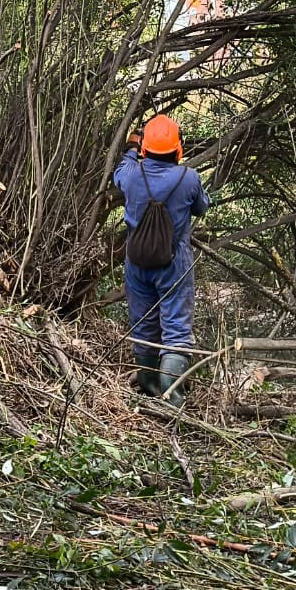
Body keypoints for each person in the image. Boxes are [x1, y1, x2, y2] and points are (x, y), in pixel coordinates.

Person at [113, 114, 209, 406]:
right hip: (173, 263)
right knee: (176, 326)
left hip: (137, 262)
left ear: (145, 148)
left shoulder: (131, 174)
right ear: (177, 149)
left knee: (143, 322)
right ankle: (172, 397)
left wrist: (132, 146)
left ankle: (148, 385)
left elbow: (121, 168)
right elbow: (201, 208)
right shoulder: (188, 178)